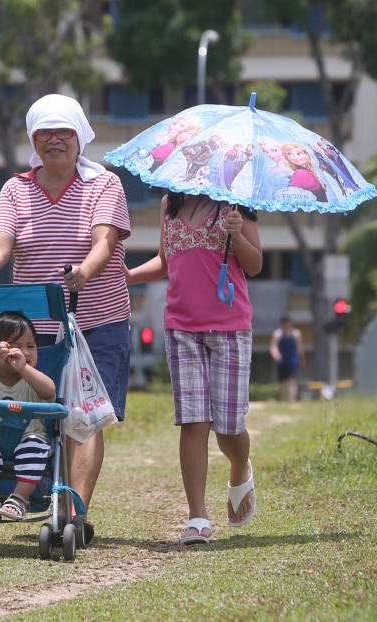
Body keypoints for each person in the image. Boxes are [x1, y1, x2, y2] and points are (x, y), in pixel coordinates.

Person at [0, 94, 132, 544]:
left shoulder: (104, 185)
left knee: (84, 417)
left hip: (99, 318)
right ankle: (33, 496)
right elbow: (0, 241)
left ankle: (72, 514)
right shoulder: (16, 189)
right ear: (34, 140)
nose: (54, 141)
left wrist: (83, 273)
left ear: (80, 137)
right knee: (46, 412)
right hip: (37, 331)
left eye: (64, 133)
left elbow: (104, 243)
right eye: (45, 134)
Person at [124, 191, 262, 544]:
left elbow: (255, 264)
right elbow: (165, 261)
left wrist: (237, 236)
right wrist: (127, 276)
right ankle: (197, 516)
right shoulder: (170, 201)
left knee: (229, 426)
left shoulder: (237, 201)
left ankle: (238, 466)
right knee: (193, 419)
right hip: (181, 328)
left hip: (230, 328)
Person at [0, 312, 56, 520]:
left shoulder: (33, 379)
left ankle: (19, 498)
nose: (26, 352)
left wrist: (24, 369)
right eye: (16, 347)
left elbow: (49, 391)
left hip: (29, 438)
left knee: (36, 448)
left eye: (31, 346)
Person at [270, 315, 304, 402]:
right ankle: (283, 400)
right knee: (283, 382)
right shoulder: (277, 333)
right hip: (282, 360)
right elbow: (273, 346)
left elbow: (299, 347)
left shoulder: (296, 334)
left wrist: (302, 359)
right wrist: (276, 354)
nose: (286, 325)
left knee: (292, 380)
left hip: (292, 360)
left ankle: (292, 400)